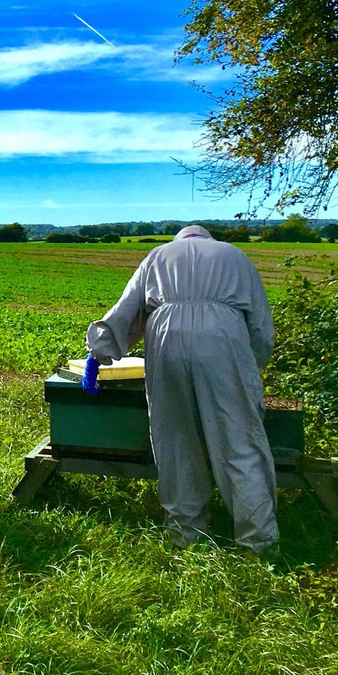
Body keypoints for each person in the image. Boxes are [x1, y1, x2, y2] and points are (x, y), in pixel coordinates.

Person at [85, 225, 278, 552]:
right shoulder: (235, 256)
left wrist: (100, 351)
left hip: (166, 339)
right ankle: (257, 545)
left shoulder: (157, 256)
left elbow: (127, 307)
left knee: (176, 441)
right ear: (208, 239)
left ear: (179, 240)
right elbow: (259, 324)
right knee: (239, 443)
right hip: (224, 339)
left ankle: (185, 537)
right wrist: (250, 368)